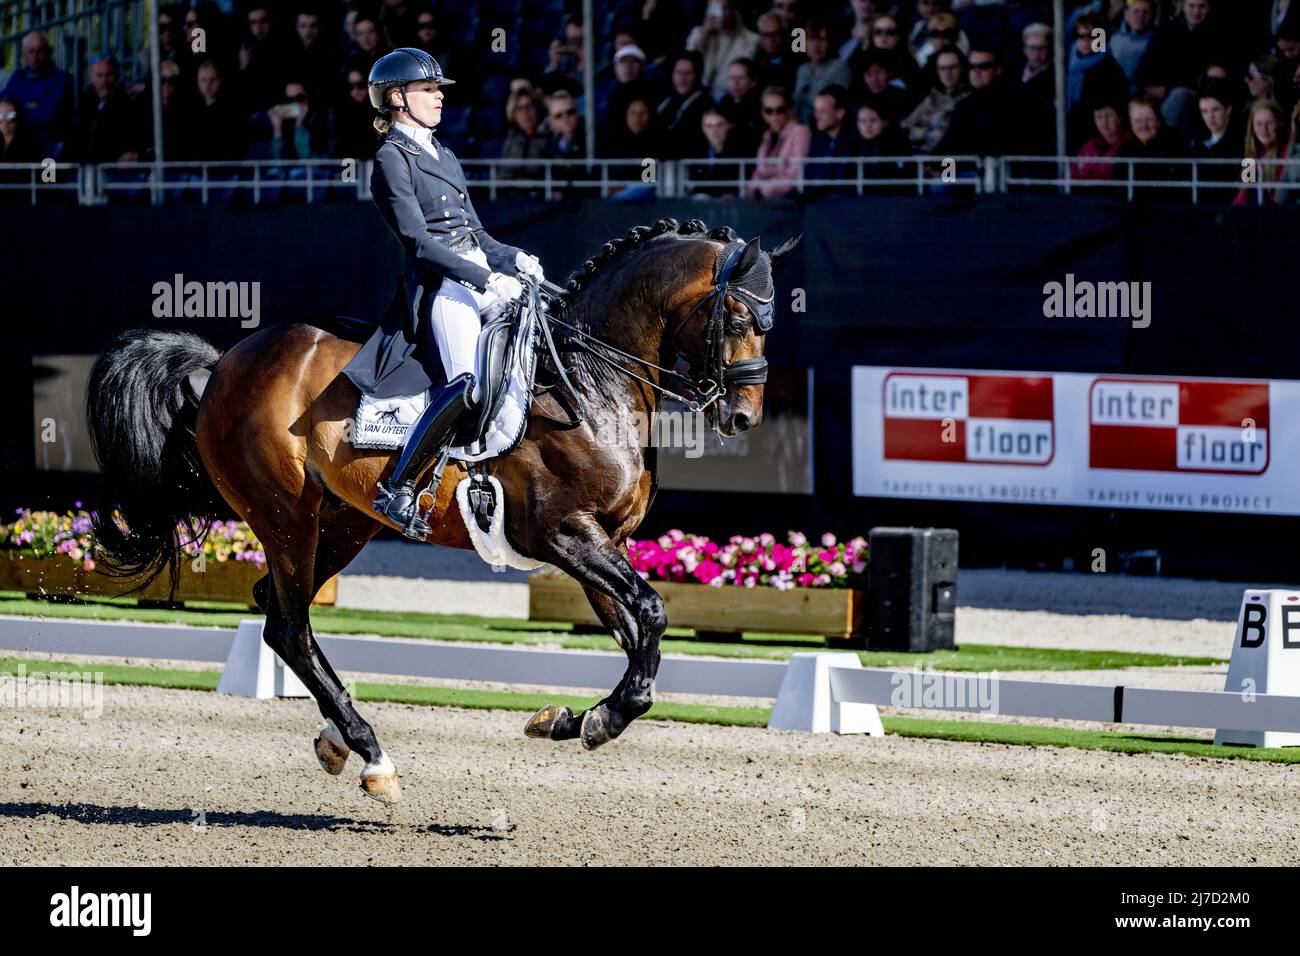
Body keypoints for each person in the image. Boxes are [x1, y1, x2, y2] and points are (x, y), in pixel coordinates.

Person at [345, 49, 543, 538]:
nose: (439, 97)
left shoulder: (445, 154)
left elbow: (475, 231)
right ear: (397, 98)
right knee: (467, 383)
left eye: (439, 90)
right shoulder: (391, 159)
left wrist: (511, 257)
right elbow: (418, 242)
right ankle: (400, 486)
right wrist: (482, 278)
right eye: (428, 90)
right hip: (443, 286)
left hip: (478, 272)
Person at [746, 84, 810, 199]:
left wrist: (762, 190)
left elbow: (794, 174)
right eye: (769, 111)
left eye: (780, 110)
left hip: (788, 201)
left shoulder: (800, 132)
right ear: (763, 114)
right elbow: (759, 171)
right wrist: (749, 192)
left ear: (789, 110)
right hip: (762, 200)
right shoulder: (766, 136)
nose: (774, 116)